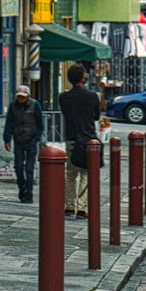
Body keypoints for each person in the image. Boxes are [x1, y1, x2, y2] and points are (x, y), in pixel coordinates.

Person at [59, 63, 102, 218]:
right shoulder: (92, 96)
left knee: (70, 174)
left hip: (71, 139)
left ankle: (69, 207)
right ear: (83, 78)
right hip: (89, 140)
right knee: (86, 173)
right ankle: (82, 207)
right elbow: (97, 116)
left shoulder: (64, 97)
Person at [3, 85, 44, 204]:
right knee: (19, 167)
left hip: (31, 140)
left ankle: (29, 193)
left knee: (29, 169)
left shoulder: (35, 105)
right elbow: (9, 123)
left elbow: (40, 124)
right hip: (18, 140)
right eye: (19, 97)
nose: (21, 99)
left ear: (28, 96)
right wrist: (7, 139)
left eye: (23, 97)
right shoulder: (13, 106)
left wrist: (36, 139)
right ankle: (22, 189)